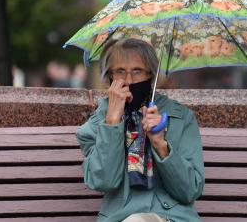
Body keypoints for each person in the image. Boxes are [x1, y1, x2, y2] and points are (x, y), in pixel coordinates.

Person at [76, 38, 205, 222]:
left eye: (137, 71)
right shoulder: (95, 126)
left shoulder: (181, 118)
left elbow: (190, 190)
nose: (128, 80)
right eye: (120, 71)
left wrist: (160, 144)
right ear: (109, 77)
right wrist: (112, 122)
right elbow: (103, 181)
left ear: (151, 74)